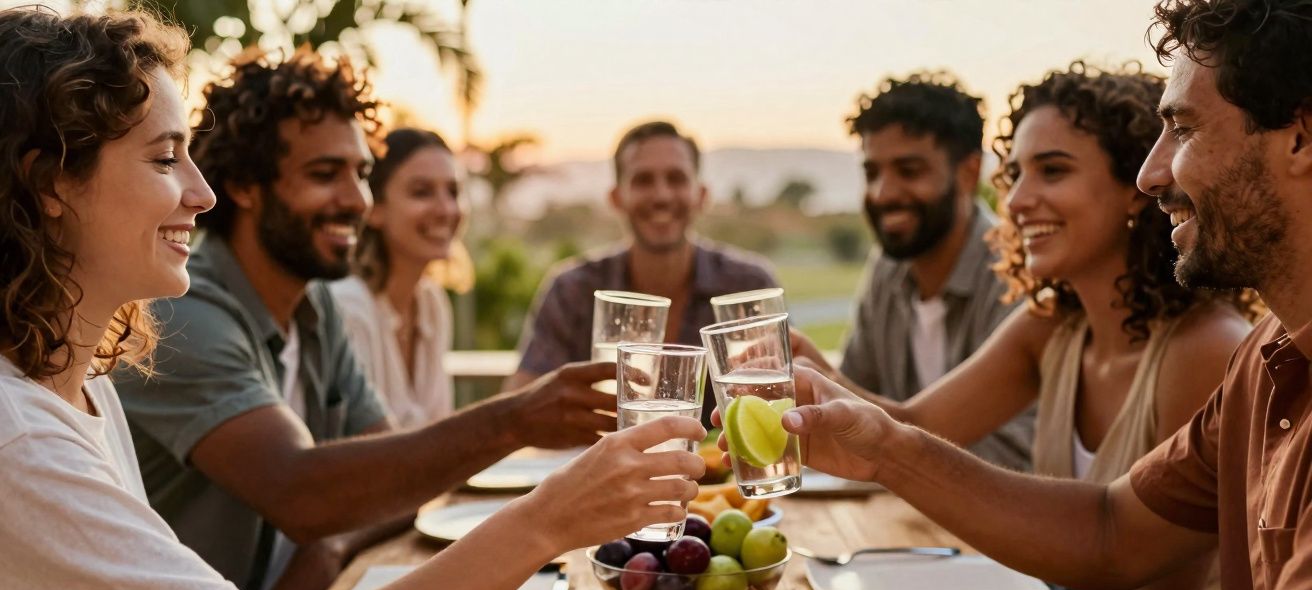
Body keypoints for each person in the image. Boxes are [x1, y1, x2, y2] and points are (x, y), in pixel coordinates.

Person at [0, 8, 702, 590]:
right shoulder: (21, 444)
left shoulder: (86, 388)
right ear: (49, 183)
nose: (199, 193)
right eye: (163, 158)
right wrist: (547, 517)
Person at [771, 1, 1312, 590]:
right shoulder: (1265, 359)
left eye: (1182, 129)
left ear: (1301, 137)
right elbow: (1109, 532)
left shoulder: (1213, 347)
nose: (1155, 174)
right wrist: (884, 448)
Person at [111, 46, 616, 590]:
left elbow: (393, 477)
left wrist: (329, 547)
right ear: (247, 187)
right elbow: (301, 495)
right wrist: (514, 419)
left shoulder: (315, 304)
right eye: (326, 175)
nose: (357, 201)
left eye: (363, 174)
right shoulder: (183, 313)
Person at [791, 75, 1033, 469]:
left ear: (969, 174)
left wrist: (835, 387)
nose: (884, 193)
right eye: (872, 173)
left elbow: (1020, 457)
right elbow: (856, 422)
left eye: (909, 170)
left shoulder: (1018, 272)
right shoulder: (888, 269)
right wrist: (825, 382)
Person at [505, 120, 777, 391]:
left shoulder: (747, 286)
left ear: (701, 195)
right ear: (616, 198)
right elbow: (521, 404)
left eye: (676, 178)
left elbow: (788, 395)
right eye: (643, 180)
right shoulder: (572, 290)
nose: (661, 195)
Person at [330, 128, 469, 428]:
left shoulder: (431, 303)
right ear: (375, 209)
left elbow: (438, 434)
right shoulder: (349, 307)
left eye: (453, 192)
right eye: (422, 192)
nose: (446, 209)